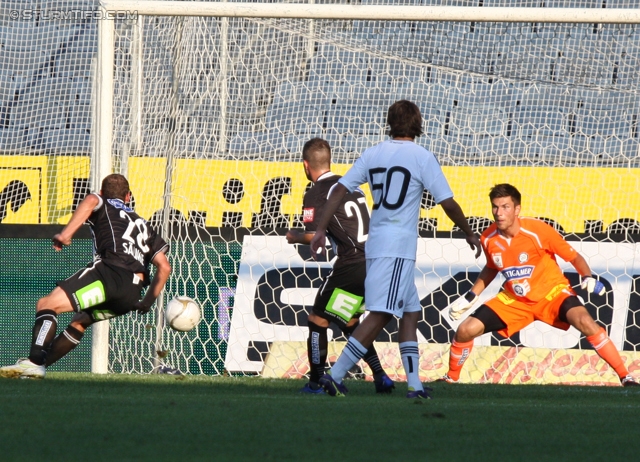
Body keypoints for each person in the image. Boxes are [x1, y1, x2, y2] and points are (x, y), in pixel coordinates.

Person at [310, 100, 481, 398]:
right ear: (417, 123)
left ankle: (414, 385)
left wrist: (321, 229)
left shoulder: (373, 153)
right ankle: (334, 377)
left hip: (377, 242)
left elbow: (339, 189)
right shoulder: (421, 157)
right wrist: (468, 232)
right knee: (381, 314)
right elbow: (447, 202)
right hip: (397, 246)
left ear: (389, 122)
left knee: (411, 312)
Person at [442, 183, 639, 387]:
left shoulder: (538, 231)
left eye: (505, 207)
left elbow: (574, 257)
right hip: (514, 300)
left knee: (586, 322)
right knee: (465, 330)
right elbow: (492, 267)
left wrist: (587, 276)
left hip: (552, 294)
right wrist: (470, 296)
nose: (499, 213)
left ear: (517, 209)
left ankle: (626, 376)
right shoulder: (488, 238)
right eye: (495, 207)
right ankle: (450, 379)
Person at [0, 174, 171, 379]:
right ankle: (37, 367)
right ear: (128, 197)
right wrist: (147, 302)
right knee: (80, 322)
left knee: (47, 304)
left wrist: (65, 235)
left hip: (109, 273)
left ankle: (34, 363)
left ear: (101, 192)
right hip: (132, 294)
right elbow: (164, 267)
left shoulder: (103, 201)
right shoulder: (144, 225)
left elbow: (90, 201)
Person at [287, 137, 395, 394]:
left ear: (305, 165)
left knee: (317, 320)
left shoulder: (316, 192)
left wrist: (294, 237)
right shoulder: (352, 186)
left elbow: (315, 236)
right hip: (375, 262)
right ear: (329, 160)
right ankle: (381, 376)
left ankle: (316, 383)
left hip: (352, 264)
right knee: (350, 322)